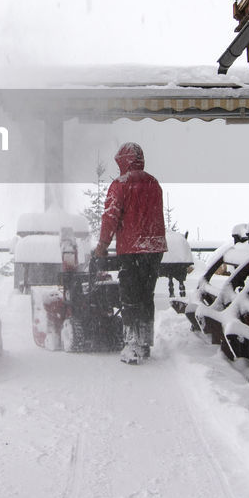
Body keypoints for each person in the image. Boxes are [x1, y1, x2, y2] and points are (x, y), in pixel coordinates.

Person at [93, 142, 166, 364]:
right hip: (154, 248)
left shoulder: (120, 184)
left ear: (124, 161)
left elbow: (110, 216)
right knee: (146, 295)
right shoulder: (154, 183)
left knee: (130, 296)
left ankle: (131, 345)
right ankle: (145, 343)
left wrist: (103, 245)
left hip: (132, 249)